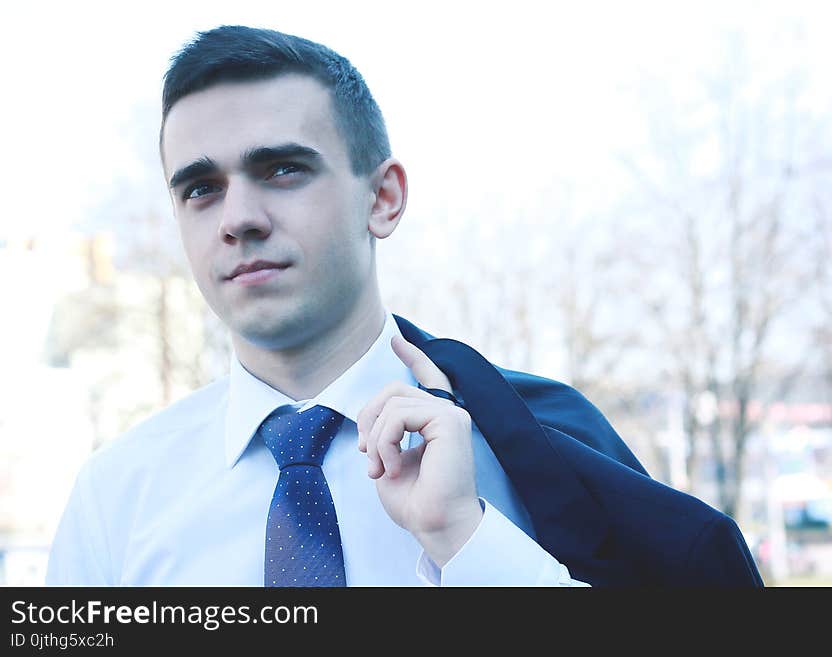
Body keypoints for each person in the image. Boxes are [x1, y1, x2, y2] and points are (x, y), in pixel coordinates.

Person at [46, 25, 762, 587]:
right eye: (201, 188)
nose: (238, 217)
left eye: (282, 168)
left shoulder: (534, 453)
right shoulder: (116, 500)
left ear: (383, 198)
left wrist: (468, 541)